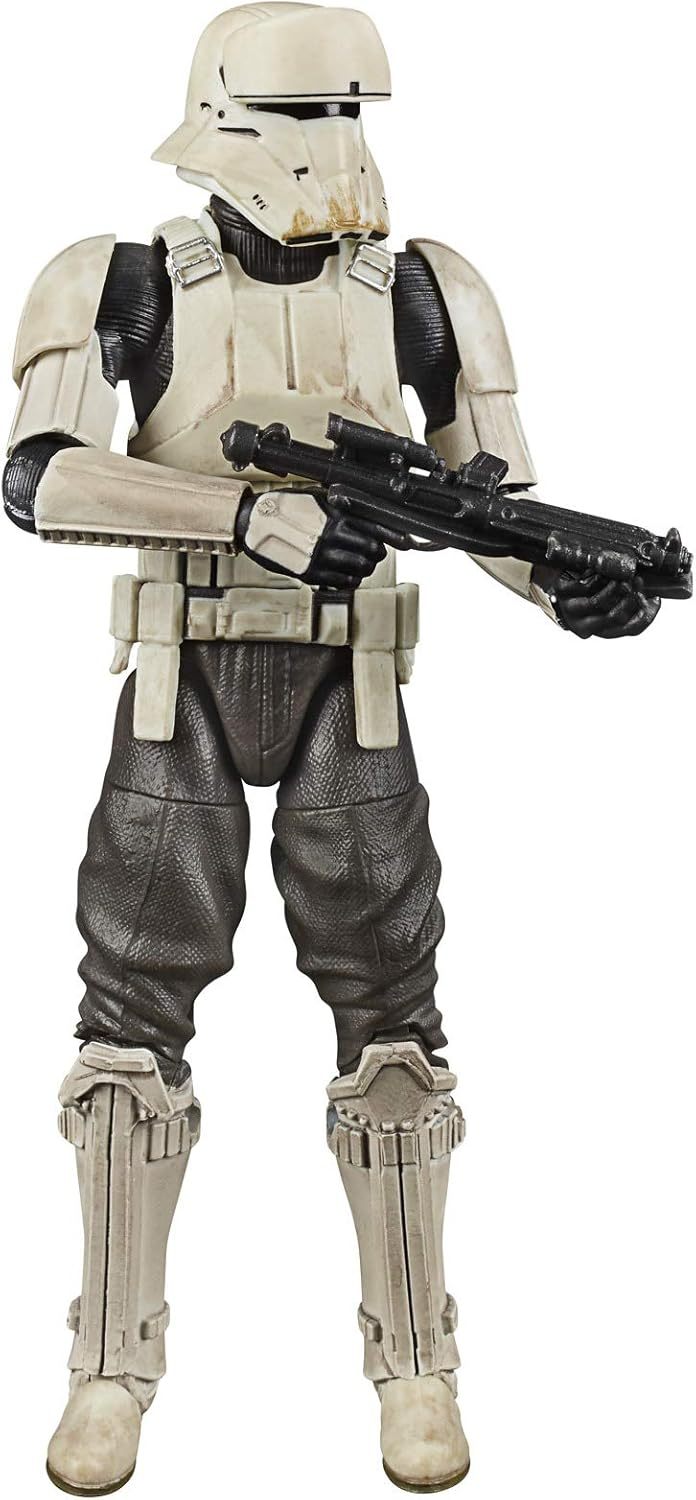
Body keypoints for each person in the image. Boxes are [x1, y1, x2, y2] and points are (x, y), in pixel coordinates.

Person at [3, 6, 660, 1494]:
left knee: (394, 1021)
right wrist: (243, 513)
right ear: (226, 118)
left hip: (350, 681)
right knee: (129, 1017)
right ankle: (109, 1365)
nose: (334, 145)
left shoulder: (423, 293)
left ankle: (415, 1360)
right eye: (307, 113)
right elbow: (40, 479)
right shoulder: (118, 283)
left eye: (352, 110)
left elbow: (481, 502)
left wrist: (565, 583)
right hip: (177, 668)